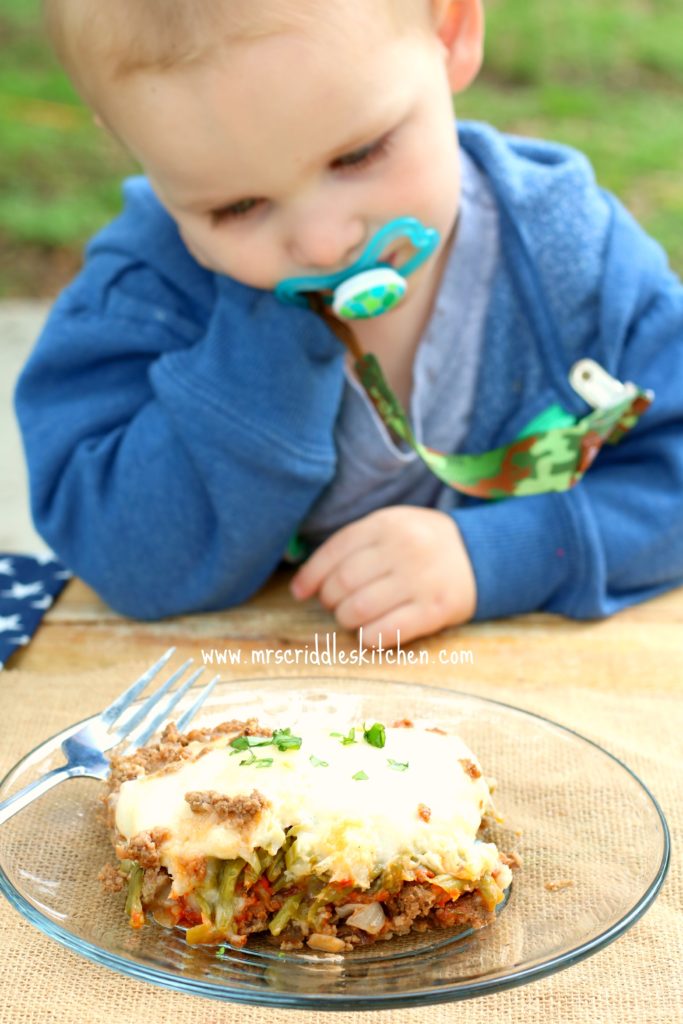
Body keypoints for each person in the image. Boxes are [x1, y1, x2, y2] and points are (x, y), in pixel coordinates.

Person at [14, 0, 683, 647]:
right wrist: (258, 356)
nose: (323, 244)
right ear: (142, 150)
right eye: (238, 206)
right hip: (258, 701)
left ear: (447, 32)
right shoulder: (147, 292)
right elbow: (118, 553)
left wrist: (500, 557)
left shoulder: (573, 257)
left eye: (356, 155)